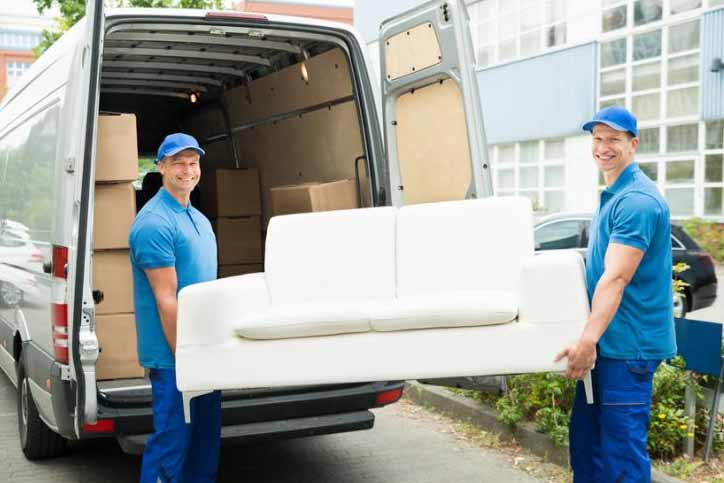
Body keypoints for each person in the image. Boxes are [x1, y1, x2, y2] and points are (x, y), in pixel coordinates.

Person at [554, 106, 677, 483]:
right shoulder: (615, 195)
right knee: (589, 447)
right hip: (609, 346)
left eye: (613, 139)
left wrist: (587, 340)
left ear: (633, 144)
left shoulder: (637, 202)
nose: (603, 147)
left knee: (619, 457)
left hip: (627, 349)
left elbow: (616, 278)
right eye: (597, 139)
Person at [129, 133, 221, 482]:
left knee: (203, 444)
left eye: (193, 162)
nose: (187, 170)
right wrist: (186, 357)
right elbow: (166, 298)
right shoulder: (154, 223)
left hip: (204, 354)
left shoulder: (196, 218)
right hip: (175, 359)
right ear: (161, 166)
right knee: (172, 445)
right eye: (178, 162)